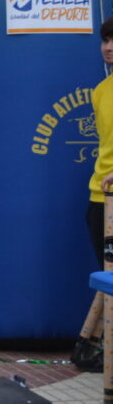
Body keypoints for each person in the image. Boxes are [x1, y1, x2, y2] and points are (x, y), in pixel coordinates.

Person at [89, 16, 113, 266]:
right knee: (107, 280)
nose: (109, 46)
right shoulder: (101, 91)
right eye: (105, 40)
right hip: (100, 198)